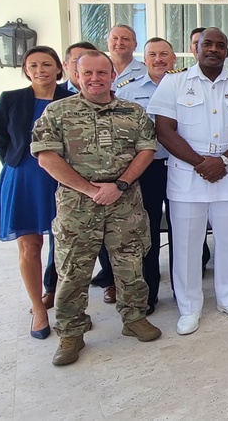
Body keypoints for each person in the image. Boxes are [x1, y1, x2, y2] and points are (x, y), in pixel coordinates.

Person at [32, 50, 162, 366]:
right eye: (87, 73)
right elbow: (46, 156)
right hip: (78, 205)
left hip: (124, 202)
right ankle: (71, 332)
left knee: (130, 263)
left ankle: (134, 318)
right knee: (73, 269)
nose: (94, 79)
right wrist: (91, 189)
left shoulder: (133, 113)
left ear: (112, 75)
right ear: (76, 75)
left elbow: (147, 150)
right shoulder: (58, 112)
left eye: (101, 73)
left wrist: (118, 185)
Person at [147, 27, 228, 335]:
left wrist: (222, 160)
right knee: (185, 245)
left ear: (227, 50)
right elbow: (164, 130)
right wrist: (200, 163)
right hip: (187, 176)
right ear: (195, 48)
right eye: (207, 44)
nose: (213, 49)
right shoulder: (174, 82)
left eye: (220, 45)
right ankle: (189, 306)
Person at [0, 46, 73, 339]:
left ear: (58, 68)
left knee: (67, 246)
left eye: (46, 64)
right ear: (26, 69)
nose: (40, 70)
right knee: (30, 246)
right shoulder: (10, 99)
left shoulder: (71, 100)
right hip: (24, 178)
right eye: (34, 65)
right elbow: (1, 141)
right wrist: (23, 166)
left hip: (63, 179)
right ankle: (38, 309)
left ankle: (67, 304)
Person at [99, 38, 177, 316]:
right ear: (144, 59)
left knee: (185, 232)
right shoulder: (128, 91)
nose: (159, 59)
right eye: (153, 54)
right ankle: (150, 294)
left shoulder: (186, 86)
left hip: (185, 167)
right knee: (149, 232)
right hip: (148, 169)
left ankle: (184, 290)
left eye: (165, 54)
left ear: (174, 59)